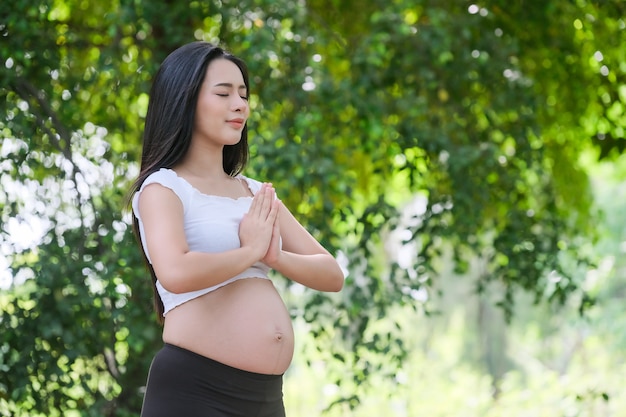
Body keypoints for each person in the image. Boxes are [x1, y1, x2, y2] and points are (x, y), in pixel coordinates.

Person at [127, 41, 344, 417]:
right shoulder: (163, 188)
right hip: (195, 392)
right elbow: (175, 272)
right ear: (185, 100)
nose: (240, 105)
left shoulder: (256, 193)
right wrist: (249, 252)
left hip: (264, 399)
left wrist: (275, 255)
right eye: (224, 93)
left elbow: (331, 274)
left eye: (243, 94)